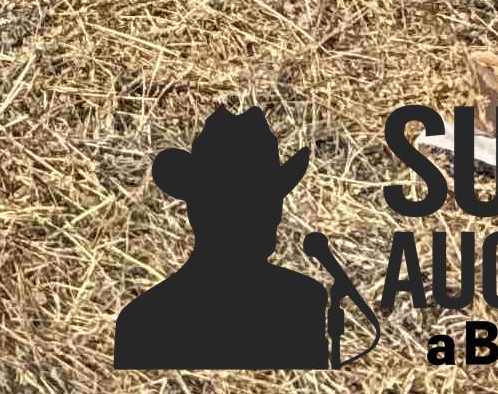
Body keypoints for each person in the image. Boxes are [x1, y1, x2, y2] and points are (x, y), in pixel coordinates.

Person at [112, 106, 336, 369]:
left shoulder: (143, 319)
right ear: (203, 211)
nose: (272, 216)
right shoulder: (300, 302)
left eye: (270, 201)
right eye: (249, 204)